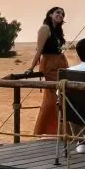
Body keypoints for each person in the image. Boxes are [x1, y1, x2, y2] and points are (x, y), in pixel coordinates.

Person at [28, 7, 67, 137]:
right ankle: (56, 130)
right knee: (55, 98)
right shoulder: (45, 28)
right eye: (57, 12)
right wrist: (31, 67)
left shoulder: (57, 31)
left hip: (60, 64)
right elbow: (39, 50)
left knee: (63, 95)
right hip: (50, 65)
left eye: (62, 14)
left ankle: (63, 130)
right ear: (50, 14)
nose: (60, 15)